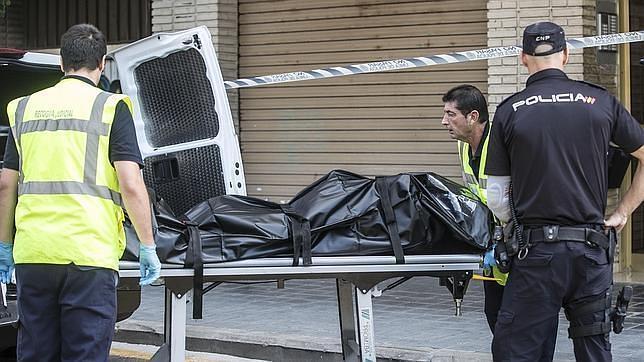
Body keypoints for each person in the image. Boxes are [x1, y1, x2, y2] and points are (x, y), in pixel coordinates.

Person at [0, 24, 161, 361]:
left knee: (36, 353)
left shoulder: (24, 108)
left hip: (35, 253)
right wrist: (147, 246)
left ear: (61, 63)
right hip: (89, 255)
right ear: (102, 64)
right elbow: (130, 182)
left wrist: (4, 246)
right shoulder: (111, 107)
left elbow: (5, 184)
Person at [485, 21, 644, 361]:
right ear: (567, 54)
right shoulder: (601, 102)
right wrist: (622, 212)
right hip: (591, 251)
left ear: (523, 57)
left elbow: (496, 195)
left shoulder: (509, 110)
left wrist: (512, 229)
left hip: (535, 254)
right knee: (593, 348)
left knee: (518, 351)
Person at [441, 85, 506, 334]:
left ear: (473, 116)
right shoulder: (463, 145)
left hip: (519, 251)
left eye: (451, 114)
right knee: (495, 318)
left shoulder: (500, 144)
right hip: (494, 253)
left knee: (519, 329)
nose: (444, 121)